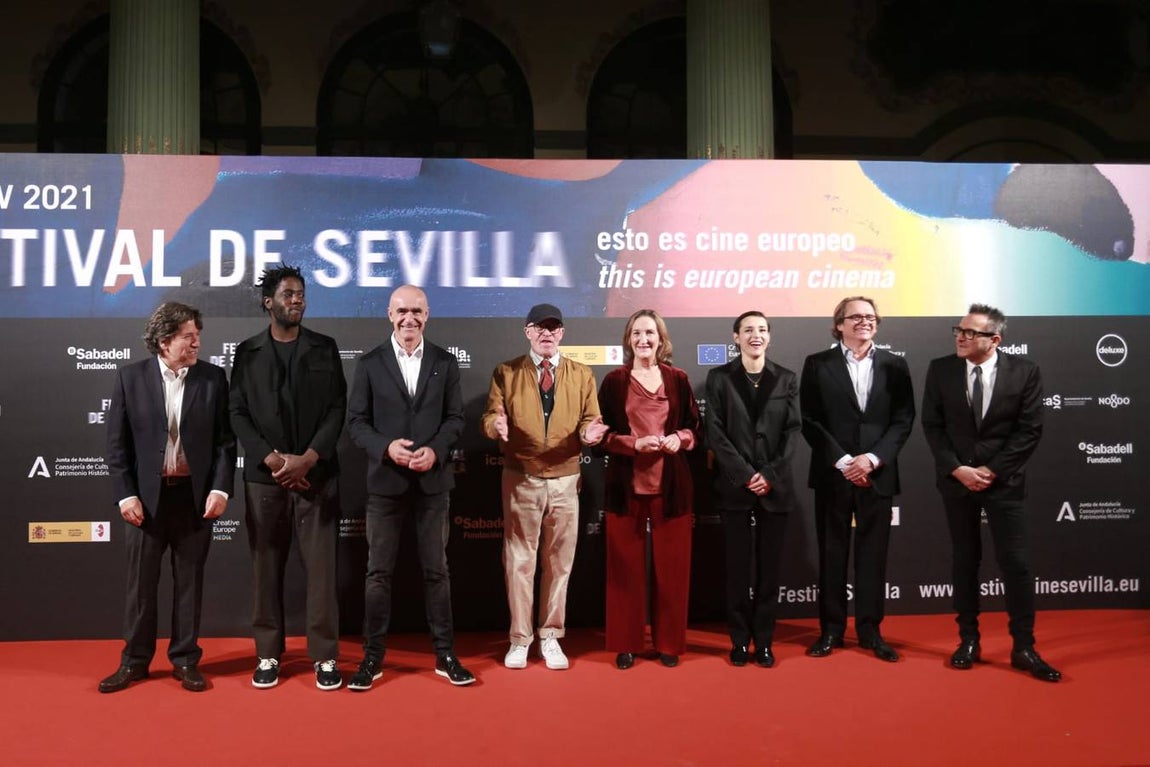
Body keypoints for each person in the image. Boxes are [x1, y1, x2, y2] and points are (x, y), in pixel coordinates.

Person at [99, 302, 236, 693]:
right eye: (188, 336)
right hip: (146, 501)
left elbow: (226, 443)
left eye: (197, 335)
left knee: (190, 585)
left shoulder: (213, 378)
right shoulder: (130, 378)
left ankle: (186, 660)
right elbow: (117, 446)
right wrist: (126, 496)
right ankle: (135, 662)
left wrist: (220, 488)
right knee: (141, 587)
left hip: (193, 500)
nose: (197, 342)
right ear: (164, 341)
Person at [922, 303, 1061, 682]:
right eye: (959, 330)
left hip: (1005, 483)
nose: (961, 337)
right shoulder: (941, 369)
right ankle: (968, 641)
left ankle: (1024, 647)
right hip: (957, 481)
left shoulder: (1025, 372)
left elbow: (1029, 430)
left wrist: (992, 470)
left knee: (1015, 564)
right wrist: (958, 469)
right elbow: (932, 426)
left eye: (970, 332)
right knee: (965, 561)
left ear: (994, 339)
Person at [346, 284, 474, 688]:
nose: (409, 318)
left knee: (437, 572)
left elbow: (455, 419)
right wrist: (387, 448)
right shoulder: (369, 364)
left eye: (417, 311)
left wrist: (435, 451)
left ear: (427, 314)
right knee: (377, 574)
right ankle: (372, 658)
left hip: (433, 486)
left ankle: (446, 655)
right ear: (389, 314)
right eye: (402, 311)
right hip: (386, 486)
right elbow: (356, 424)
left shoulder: (445, 362)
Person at [229, 266, 346, 691]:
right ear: (268, 302)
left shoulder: (325, 348)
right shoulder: (247, 352)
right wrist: (274, 461)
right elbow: (237, 412)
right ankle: (266, 654)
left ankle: (325, 657)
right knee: (265, 569)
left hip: (318, 476)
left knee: (321, 572)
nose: (297, 300)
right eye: (289, 294)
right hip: (265, 480)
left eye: (301, 295)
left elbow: (338, 409)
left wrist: (309, 459)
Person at [481, 303, 608, 670]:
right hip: (521, 477)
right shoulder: (506, 372)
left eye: (553, 328)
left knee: (559, 562)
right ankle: (519, 639)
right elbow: (491, 415)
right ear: (528, 332)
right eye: (539, 327)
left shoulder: (582, 374)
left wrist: (590, 433)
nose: (547, 333)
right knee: (519, 560)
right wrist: (496, 427)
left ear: (563, 333)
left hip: (567, 479)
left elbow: (589, 421)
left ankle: (551, 636)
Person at [799, 297, 915, 662]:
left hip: (878, 475)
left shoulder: (896, 365)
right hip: (835, 475)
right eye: (856, 317)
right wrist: (846, 462)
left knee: (873, 558)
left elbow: (903, 419)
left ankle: (870, 632)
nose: (864, 322)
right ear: (839, 324)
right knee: (832, 556)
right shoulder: (817, 364)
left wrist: (872, 459)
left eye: (870, 317)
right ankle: (831, 631)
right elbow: (810, 420)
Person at [598, 310, 700, 669]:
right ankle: (626, 643)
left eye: (650, 333)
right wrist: (632, 444)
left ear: (661, 338)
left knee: (672, 572)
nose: (644, 339)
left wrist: (678, 438)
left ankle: (669, 643)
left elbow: (694, 428)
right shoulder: (613, 380)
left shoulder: (678, 378)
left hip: (671, 489)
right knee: (624, 571)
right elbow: (601, 437)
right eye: (637, 333)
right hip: (625, 489)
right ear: (628, 339)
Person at [704, 310, 800, 668]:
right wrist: (746, 474)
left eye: (762, 329)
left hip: (775, 490)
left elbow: (792, 432)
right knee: (737, 571)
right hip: (735, 488)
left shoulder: (787, 378)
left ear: (769, 337)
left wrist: (769, 475)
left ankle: (764, 641)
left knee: (770, 571)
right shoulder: (718, 378)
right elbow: (715, 432)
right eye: (748, 330)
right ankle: (739, 641)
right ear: (736, 337)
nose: (755, 335)